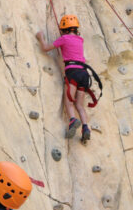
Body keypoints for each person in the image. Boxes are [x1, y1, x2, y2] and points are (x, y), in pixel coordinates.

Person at [36, 14, 98, 144]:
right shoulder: (80, 40)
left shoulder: (64, 38)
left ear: (64, 29)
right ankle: (85, 127)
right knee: (79, 105)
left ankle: (72, 120)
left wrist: (41, 37)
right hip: (84, 73)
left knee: (69, 102)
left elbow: (45, 48)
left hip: (72, 72)